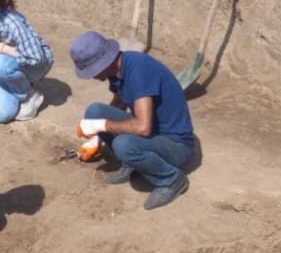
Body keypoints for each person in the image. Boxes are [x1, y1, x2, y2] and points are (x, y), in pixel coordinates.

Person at [69, 31, 196, 210]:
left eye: (92, 71)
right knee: (95, 111)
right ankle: (133, 164)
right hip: (154, 133)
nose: (91, 76)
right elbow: (119, 103)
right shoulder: (116, 70)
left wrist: (100, 125)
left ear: (104, 62)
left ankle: (172, 180)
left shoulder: (139, 70)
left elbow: (143, 127)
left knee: (124, 145)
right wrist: (96, 136)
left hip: (175, 145)